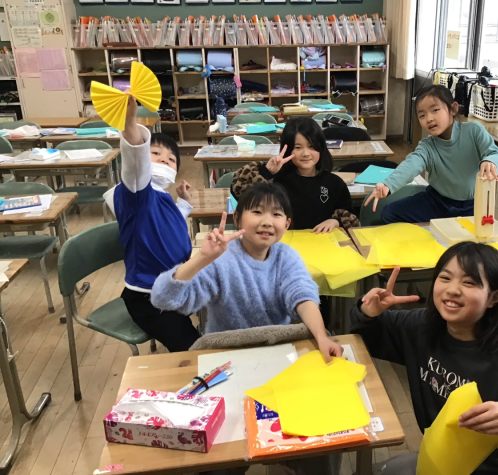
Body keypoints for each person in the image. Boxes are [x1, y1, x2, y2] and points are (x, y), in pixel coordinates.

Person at [349, 242, 498, 475]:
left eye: (469, 283)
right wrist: (369, 313)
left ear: (493, 299)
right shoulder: (424, 328)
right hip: (439, 463)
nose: (453, 290)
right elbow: (370, 337)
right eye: (445, 278)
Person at [151, 182, 343, 363]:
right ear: (237, 218)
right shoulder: (221, 257)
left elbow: (303, 296)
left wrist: (322, 337)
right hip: (225, 352)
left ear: (286, 224)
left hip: (274, 349)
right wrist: (202, 258)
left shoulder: (286, 257)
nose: (267, 222)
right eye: (257, 212)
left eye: (276, 214)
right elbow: (163, 299)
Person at [114, 95, 199, 353]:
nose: (164, 159)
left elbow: (167, 226)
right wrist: (131, 124)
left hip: (174, 285)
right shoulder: (136, 193)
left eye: (172, 159)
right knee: (193, 348)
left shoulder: (161, 197)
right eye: (156, 153)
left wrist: (183, 202)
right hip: (147, 296)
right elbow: (135, 166)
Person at [365, 85, 498, 224]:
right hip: (436, 202)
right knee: (389, 213)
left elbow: (497, 154)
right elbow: (411, 165)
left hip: (472, 205)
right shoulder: (426, 146)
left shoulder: (474, 131)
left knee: (474, 234)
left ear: (453, 109)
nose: (429, 118)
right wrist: (388, 184)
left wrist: (491, 161)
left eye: (435, 110)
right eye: (422, 115)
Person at [231, 116, 359, 233]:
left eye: (312, 146)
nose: (306, 153)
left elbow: (351, 217)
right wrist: (267, 172)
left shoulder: (334, 183)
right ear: (287, 149)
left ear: (321, 147)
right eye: (298, 147)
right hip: (281, 242)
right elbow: (241, 194)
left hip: (323, 243)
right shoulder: (277, 180)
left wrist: (335, 221)